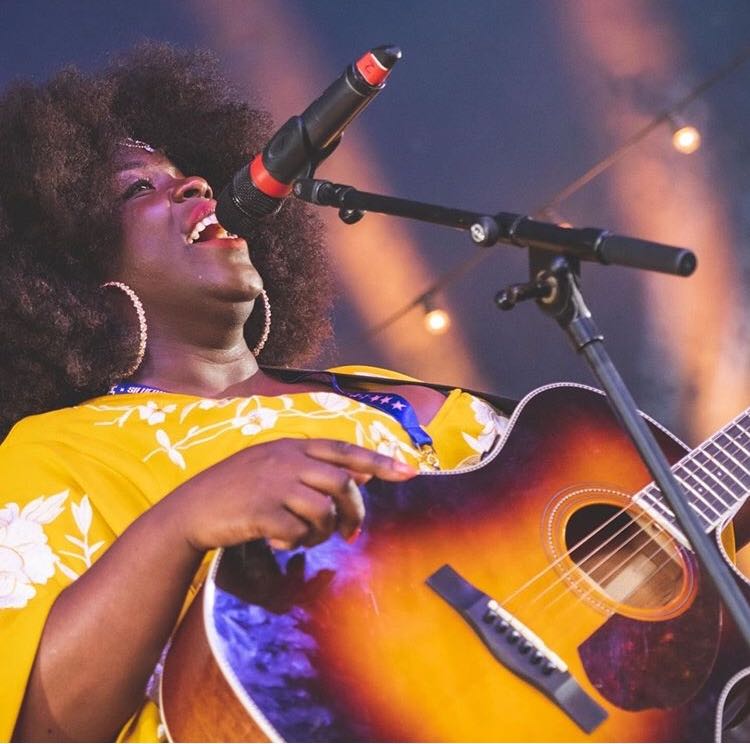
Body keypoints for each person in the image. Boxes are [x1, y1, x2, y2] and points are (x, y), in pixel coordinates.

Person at [0, 44, 507, 742]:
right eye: (137, 189)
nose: (196, 186)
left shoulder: (386, 398)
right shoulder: (56, 451)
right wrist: (184, 521)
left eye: (186, 174)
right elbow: (38, 729)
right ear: (71, 274)